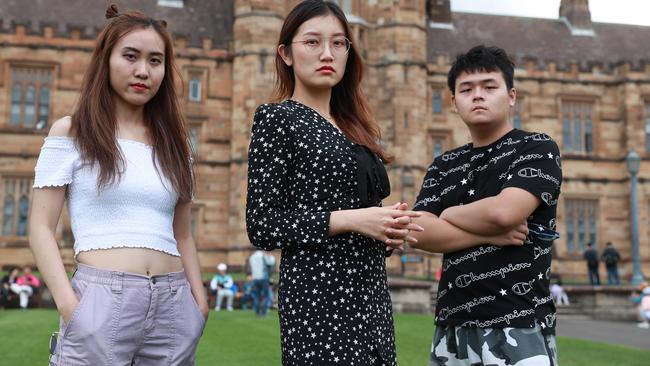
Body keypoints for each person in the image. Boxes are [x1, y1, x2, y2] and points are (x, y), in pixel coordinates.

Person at [28, 4, 206, 365]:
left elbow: (183, 234)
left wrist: (199, 304)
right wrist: (70, 306)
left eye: (155, 61)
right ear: (106, 60)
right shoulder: (72, 132)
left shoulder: (177, 144)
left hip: (174, 307)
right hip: (100, 302)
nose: (143, 71)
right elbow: (40, 226)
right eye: (130, 56)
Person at [245, 1, 422, 364]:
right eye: (312, 42)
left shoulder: (356, 128)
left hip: (371, 301)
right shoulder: (278, 119)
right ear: (286, 53)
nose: (327, 53)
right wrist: (353, 219)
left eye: (338, 43)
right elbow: (262, 225)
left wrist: (388, 227)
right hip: (319, 303)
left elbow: (363, 217)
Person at [406, 45, 562, 365]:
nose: (478, 95)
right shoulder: (443, 165)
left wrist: (448, 213)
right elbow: (418, 230)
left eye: (489, 86)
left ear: (511, 96)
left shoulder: (536, 148)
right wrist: (488, 234)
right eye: (466, 89)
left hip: (517, 320)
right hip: (452, 325)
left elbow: (505, 212)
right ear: (453, 102)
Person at [248, 250, 276, 317]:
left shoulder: (252, 257)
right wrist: (269, 255)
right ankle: (264, 313)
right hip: (263, 278)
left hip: (255, 279)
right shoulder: (263, 256)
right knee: (266, 296)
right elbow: (271, 262)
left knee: (257, 296)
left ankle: (258, 313)